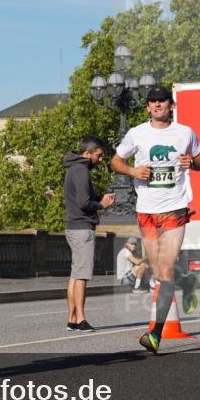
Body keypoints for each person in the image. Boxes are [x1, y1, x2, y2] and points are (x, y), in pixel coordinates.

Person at [111, 85, 200, 354]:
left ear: (170, 105)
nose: (156, 106)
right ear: (147, 107)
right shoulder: (137, 133)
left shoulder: (185, 133)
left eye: (161, 101)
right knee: (158, 272)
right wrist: (132, 170)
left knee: (164, 271)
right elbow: (115, 161)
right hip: (146, 211)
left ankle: (154, 334)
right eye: (152, 102)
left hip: (175, 208)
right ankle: (186, 281)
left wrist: (192, 163)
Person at [63, 136, 116, 332]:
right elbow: (84, 203)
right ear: (87, 153)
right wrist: (102, 204)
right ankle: (81, 319)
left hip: (73, 226)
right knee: (82, 275)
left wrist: (98, 197)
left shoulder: (73, 168)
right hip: (82, 227)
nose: (101, 159)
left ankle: (72, 318)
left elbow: (81, 198)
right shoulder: (81, 170)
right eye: (99, 155)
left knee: (75, 274)